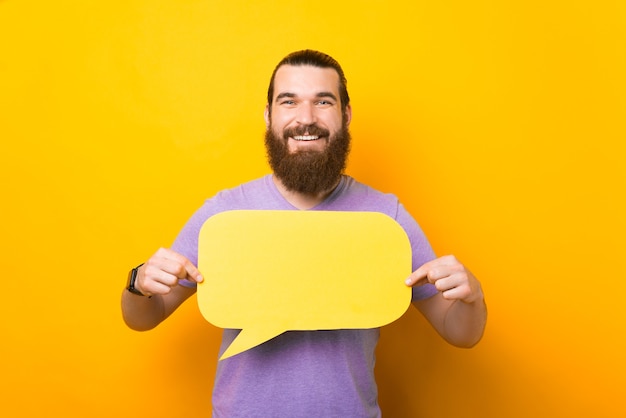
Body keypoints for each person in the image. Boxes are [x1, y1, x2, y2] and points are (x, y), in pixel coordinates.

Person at [121, 49, 487, 417]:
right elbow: (143, 317)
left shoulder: (385, 216)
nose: (306, 119)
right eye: (289, 101)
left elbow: (461, 332)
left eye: (323, 101)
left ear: (345, 115)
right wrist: (138, 282)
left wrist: (471, 296)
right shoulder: (225, 212)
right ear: (269, 115)